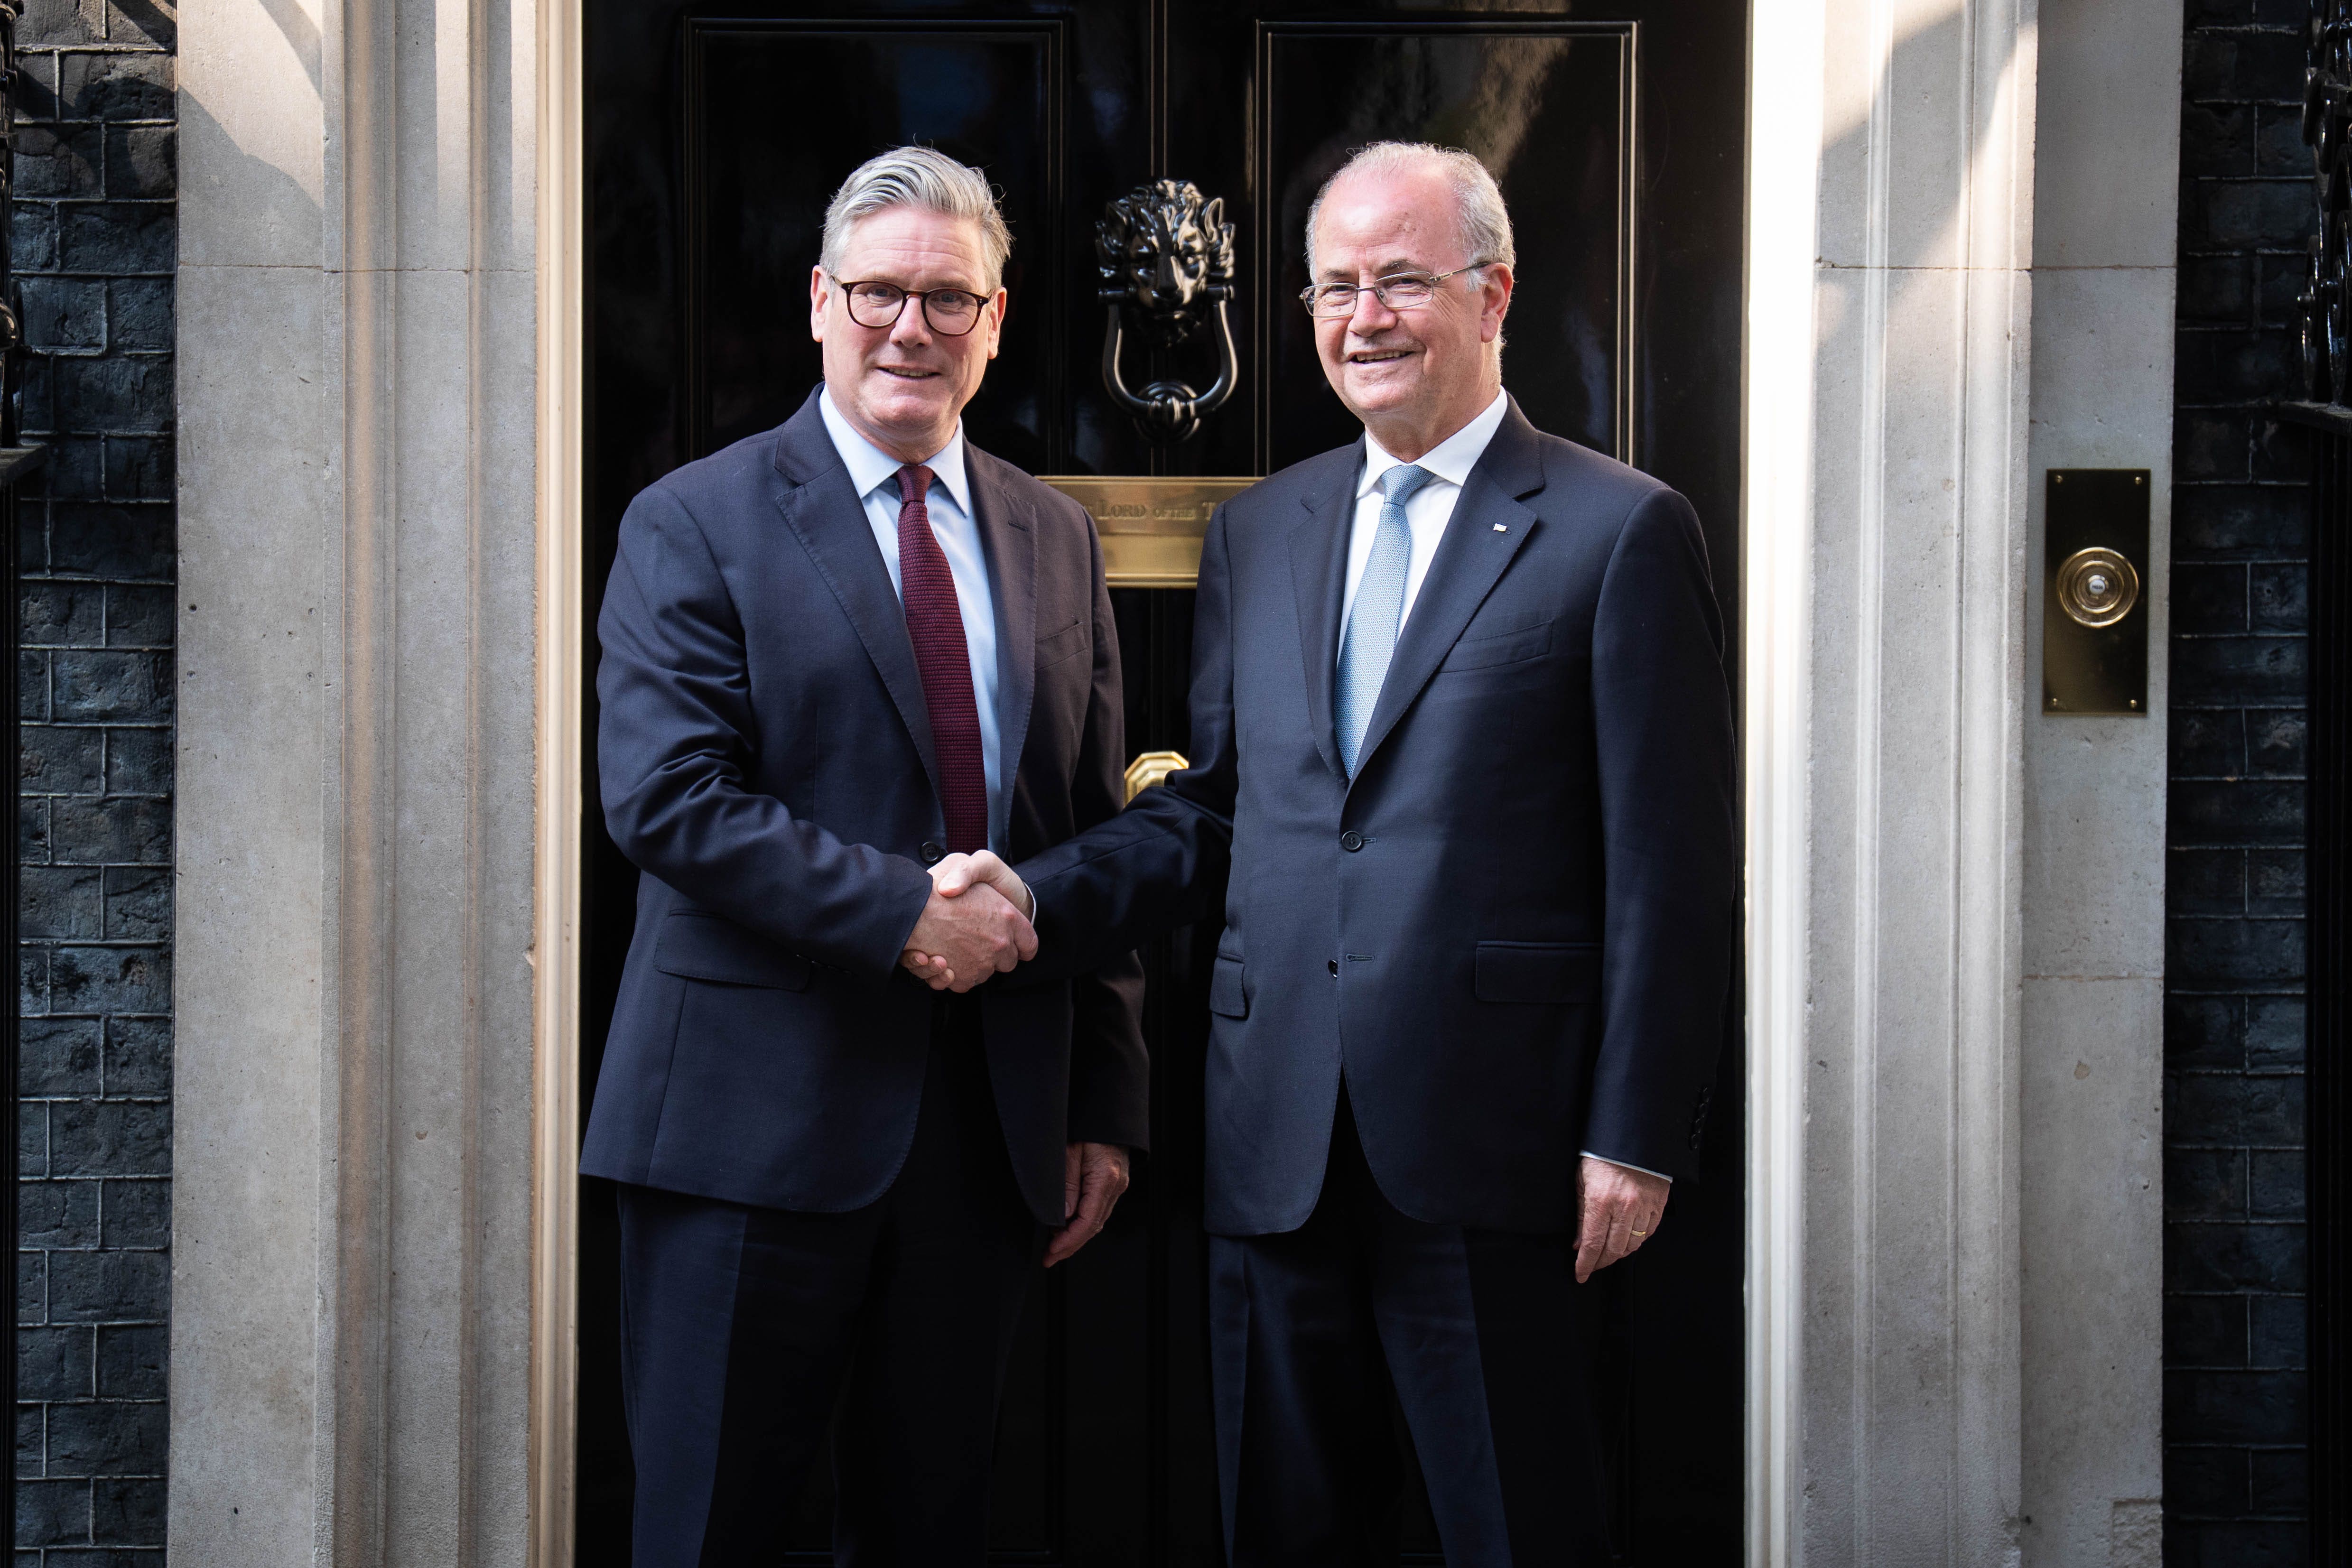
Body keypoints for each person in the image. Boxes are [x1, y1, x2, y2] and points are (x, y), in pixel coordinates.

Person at [922, 141, 1738, 1564]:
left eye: (1402, 281)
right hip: (1272, 1136)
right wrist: (1032, 895)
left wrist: (1636, 1134)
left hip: (1503, 1146)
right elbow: (1227, 806)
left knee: (1519, 1528)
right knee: (1285, 1533)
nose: (1364, 317)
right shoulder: (1264, 530)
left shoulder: (1619, 531)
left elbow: (1671, 867)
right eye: (1336, 287)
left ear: (1494, 296)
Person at [583, 145, 1146, 1566]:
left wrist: (1106, 1097)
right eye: (883, 292)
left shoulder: (1056, 538)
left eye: (948, 299)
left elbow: (1090, 829)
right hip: (742, 1138)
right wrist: (908, 913)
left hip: (984, 1137)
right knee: (716, 1531)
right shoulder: (693, 521)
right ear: (822, 302)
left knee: (933, 1529)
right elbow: (667, 799)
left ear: (998, 318)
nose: (913, 327)